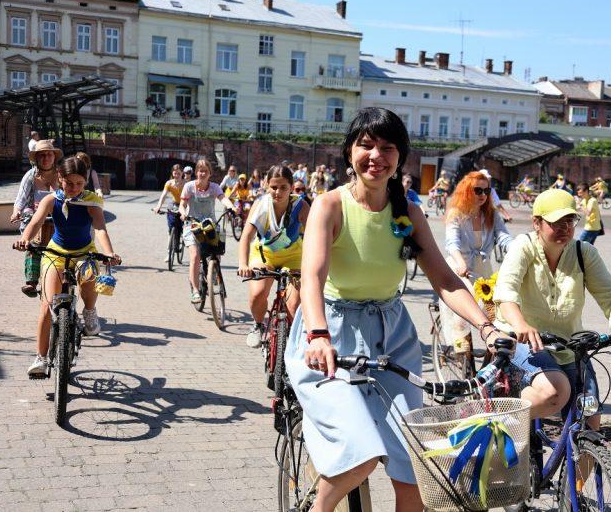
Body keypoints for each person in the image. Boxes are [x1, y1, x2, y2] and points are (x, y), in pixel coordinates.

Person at [284, 108, 507, 512]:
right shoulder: (329, 205)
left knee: (418, 469)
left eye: (387, 148)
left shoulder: (409, 212)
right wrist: (317, 334)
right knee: (361, 453)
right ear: (349, 151)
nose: (376, 156)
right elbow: (313, 277)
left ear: (399, 156)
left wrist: (487, 327)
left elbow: (445, 280)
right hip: (331, 335)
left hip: (392, 339)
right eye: (365, 145)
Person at [493, 189, 611, 431]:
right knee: (553, 394)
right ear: (536, 223)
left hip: (568, 347)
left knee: (590, 422)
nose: (565, 228)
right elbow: (506, 291)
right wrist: (520, 324)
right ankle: (497, 416)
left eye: (569, 221)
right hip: (526, 343)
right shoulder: (523, 246)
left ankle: (585, 462)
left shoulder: (583, 252)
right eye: (556, 222)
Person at [13, 153, 121, 377]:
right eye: (69, 183)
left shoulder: (91, 201)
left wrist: (109, 252)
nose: (74, 188)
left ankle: (90, 312)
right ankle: (41, 358)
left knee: (89, 282)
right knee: (47, 305)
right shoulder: (51, 200)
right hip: (56, 252)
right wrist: (25, 239)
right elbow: (36, 221)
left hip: (84, 252)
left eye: (79, 183)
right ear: (59, 178)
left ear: (86, 181)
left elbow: (100, 228)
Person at [237, 165, 310, 348]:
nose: (278, 192)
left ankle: (290, 345)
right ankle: (258, 325)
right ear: (266, 185)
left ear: (291, 188)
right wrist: (243, 264)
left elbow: (313, 236)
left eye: (284, 187)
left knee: (294, 306)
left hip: (294, 255)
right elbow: (246, 236)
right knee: (258, 293)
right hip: (265, 255)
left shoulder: (300, 206)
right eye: (274, 187)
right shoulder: (261, 205)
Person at [442, 170, 513, 352]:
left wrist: (519, 250)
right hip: (459, 267)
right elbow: (452, 242)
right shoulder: (456, 213)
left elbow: (504, 237)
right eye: (478, 190)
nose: (483, 195)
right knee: (464, 312)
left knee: (497, 313)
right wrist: (460, 262)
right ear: (466, 191)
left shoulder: (491, 214)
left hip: (483, 270)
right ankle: (461, 355)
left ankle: (493, 359)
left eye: (486, 191)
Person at [179, 159, 236, 303]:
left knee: (217, 251)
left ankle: (214, 272)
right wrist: (183, 213)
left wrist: (231, 207)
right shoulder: (189, 187)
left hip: (210, 224)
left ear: (210, 173)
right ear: (196, 172)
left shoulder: (215, 187)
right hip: (192, 224)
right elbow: (182, 204)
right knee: (195, 256)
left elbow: (223, 199)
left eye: (205, 170)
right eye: (200, 170)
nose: (202, 173)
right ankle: (196, 291)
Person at [11, 139, 61, 297]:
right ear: (36, 158)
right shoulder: (30, 176)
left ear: (54, 156)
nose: (46, 158)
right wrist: (16, 212)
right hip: (36, 219)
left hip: (59, 218)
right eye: (42, 155)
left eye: (49, 154)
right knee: (32, 244)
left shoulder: (62, 175)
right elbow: (20, 199)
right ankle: (32, 282)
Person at [152, 164, 185, 257]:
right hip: (174, 204)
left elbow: (190, 198)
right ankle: (169, 252)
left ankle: (184, 239)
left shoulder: (186, 184)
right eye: (175, 173)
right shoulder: (169, 183)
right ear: (172, 173)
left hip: (184, 205)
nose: (177, 175)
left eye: (179, 173)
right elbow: (163, 195)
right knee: (171, 229)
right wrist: (158, 206)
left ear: (182, 173)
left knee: (184, 227)